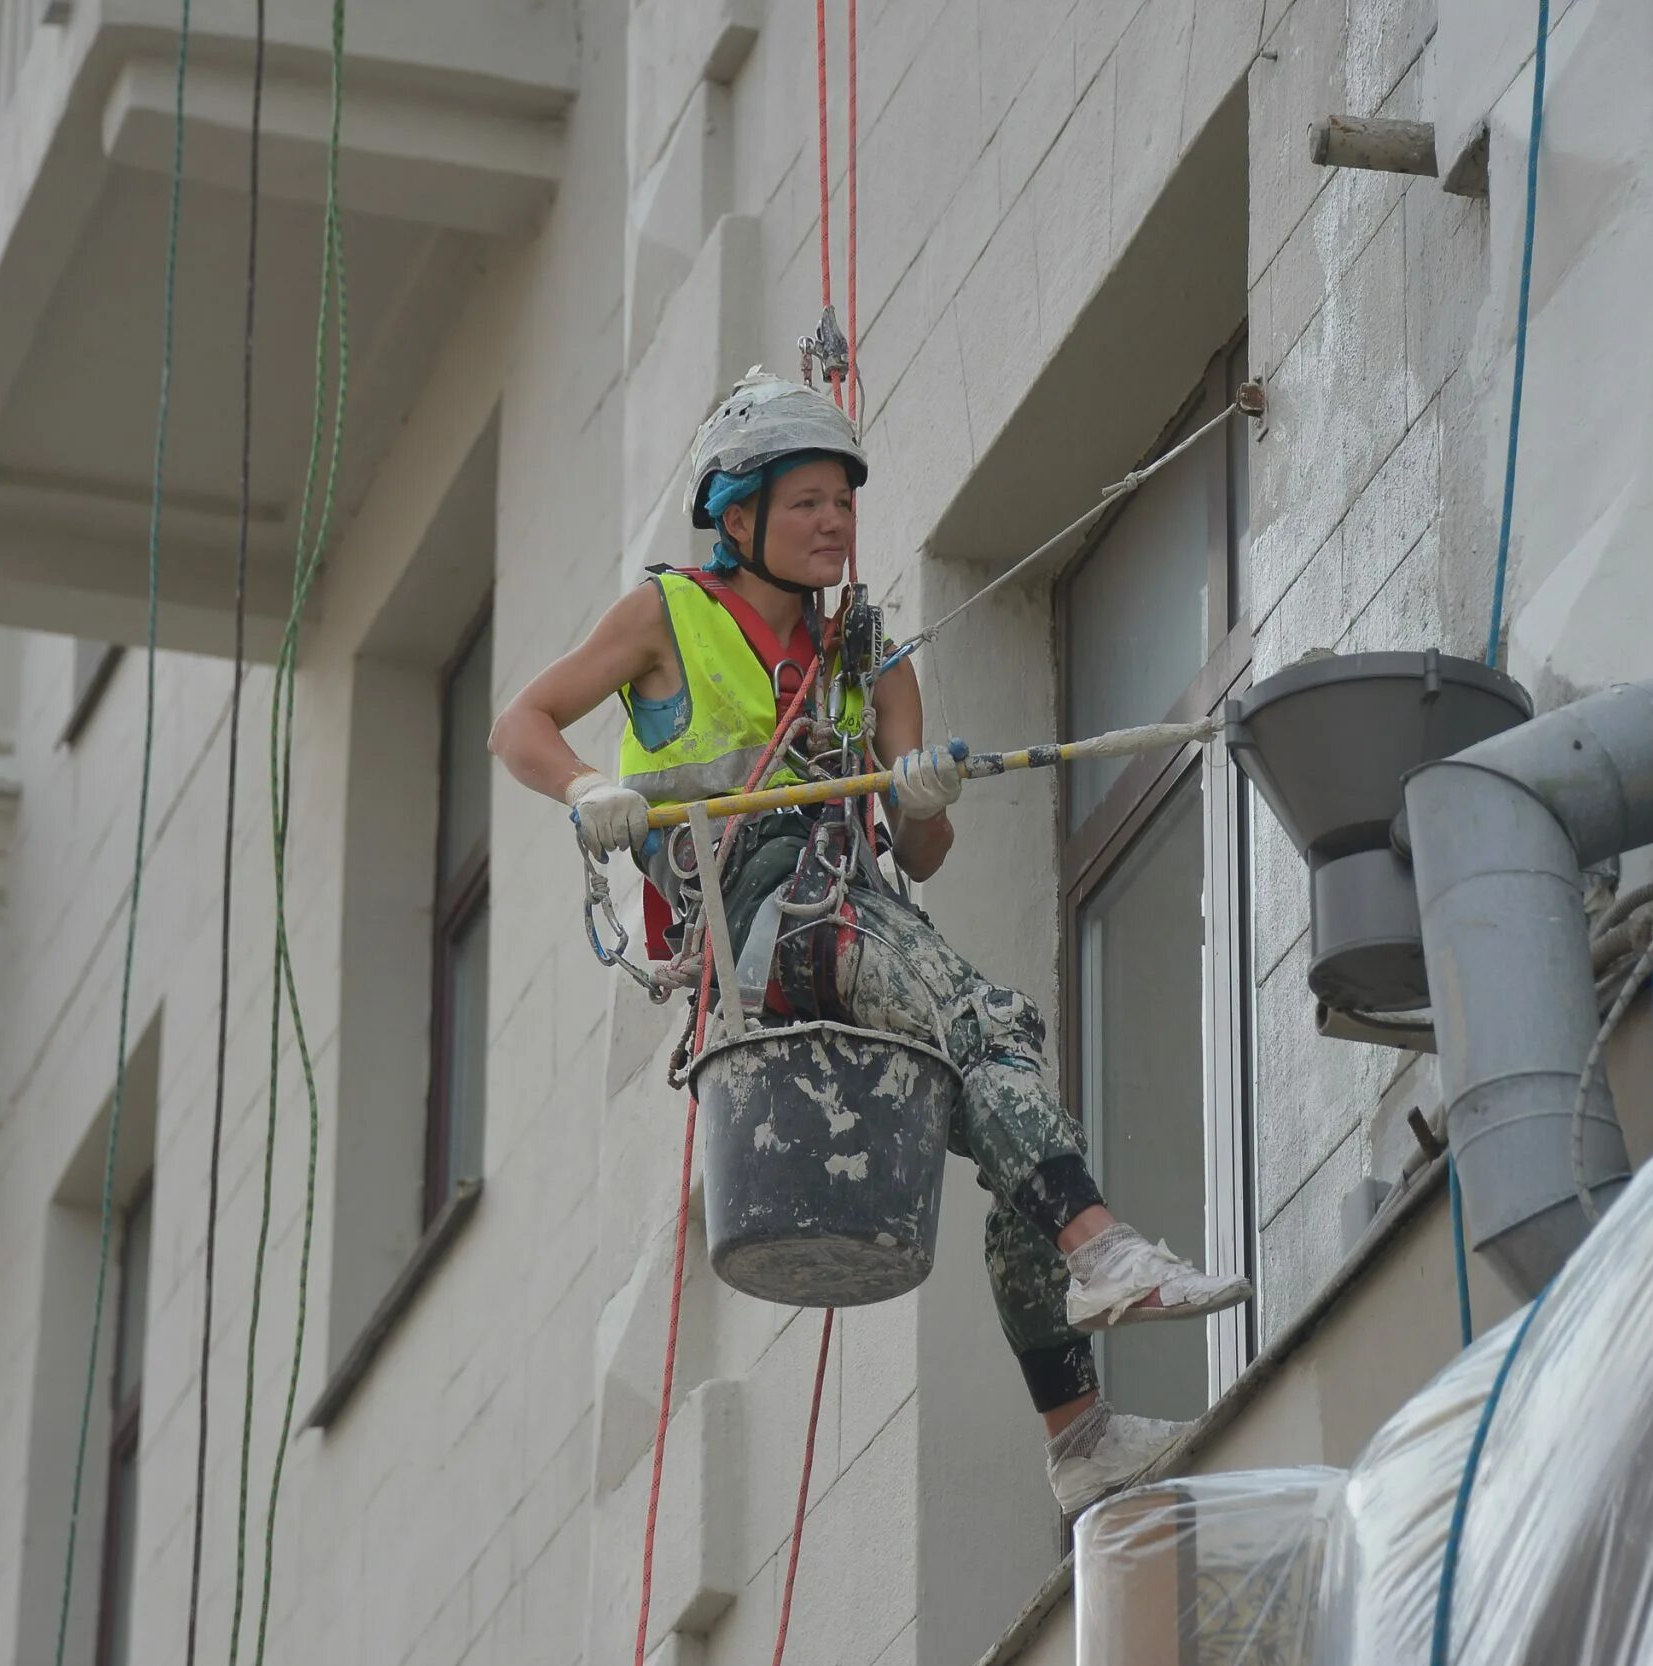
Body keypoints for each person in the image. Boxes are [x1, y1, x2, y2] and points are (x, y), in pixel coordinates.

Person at [491, 369, 1250, 1514]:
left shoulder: (872, 657)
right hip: (760, 913)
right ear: (737, 515)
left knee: (1014, 1078)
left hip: (841, 902)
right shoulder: (669, 615)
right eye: (804, 501)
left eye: (842, 501)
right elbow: (521, 723)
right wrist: (593, 786)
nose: (833, 522)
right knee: (988, 1027)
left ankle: (1076, 1429)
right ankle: (1098, 1252)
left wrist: (927, 792)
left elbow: (921, 850)